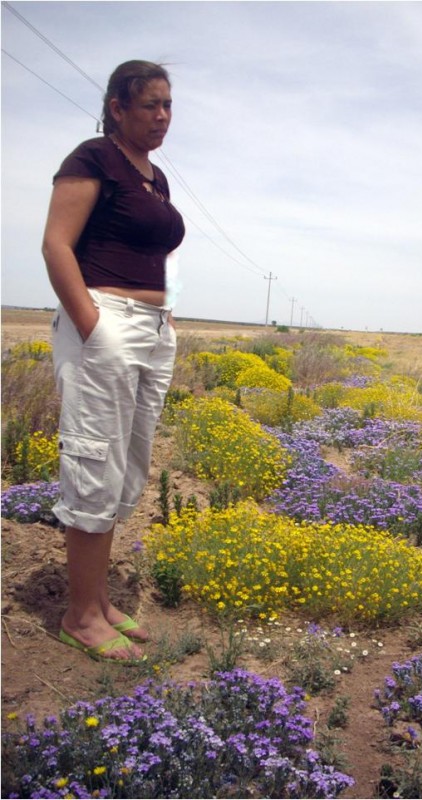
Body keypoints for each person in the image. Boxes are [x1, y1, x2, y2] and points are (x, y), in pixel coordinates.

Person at [42, 60, 185, 664]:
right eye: (149, 105)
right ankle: (79, 616)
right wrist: (92, 326)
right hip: (106, 322)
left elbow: (155, 253)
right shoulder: (93, 157)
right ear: (117, 108)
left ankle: (99, 603)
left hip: (149, 330)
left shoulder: (154, 177)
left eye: (168, 106)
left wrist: (166, 318)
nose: (161, 117)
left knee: (127, 464)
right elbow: (56, 244)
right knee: (95, 459)